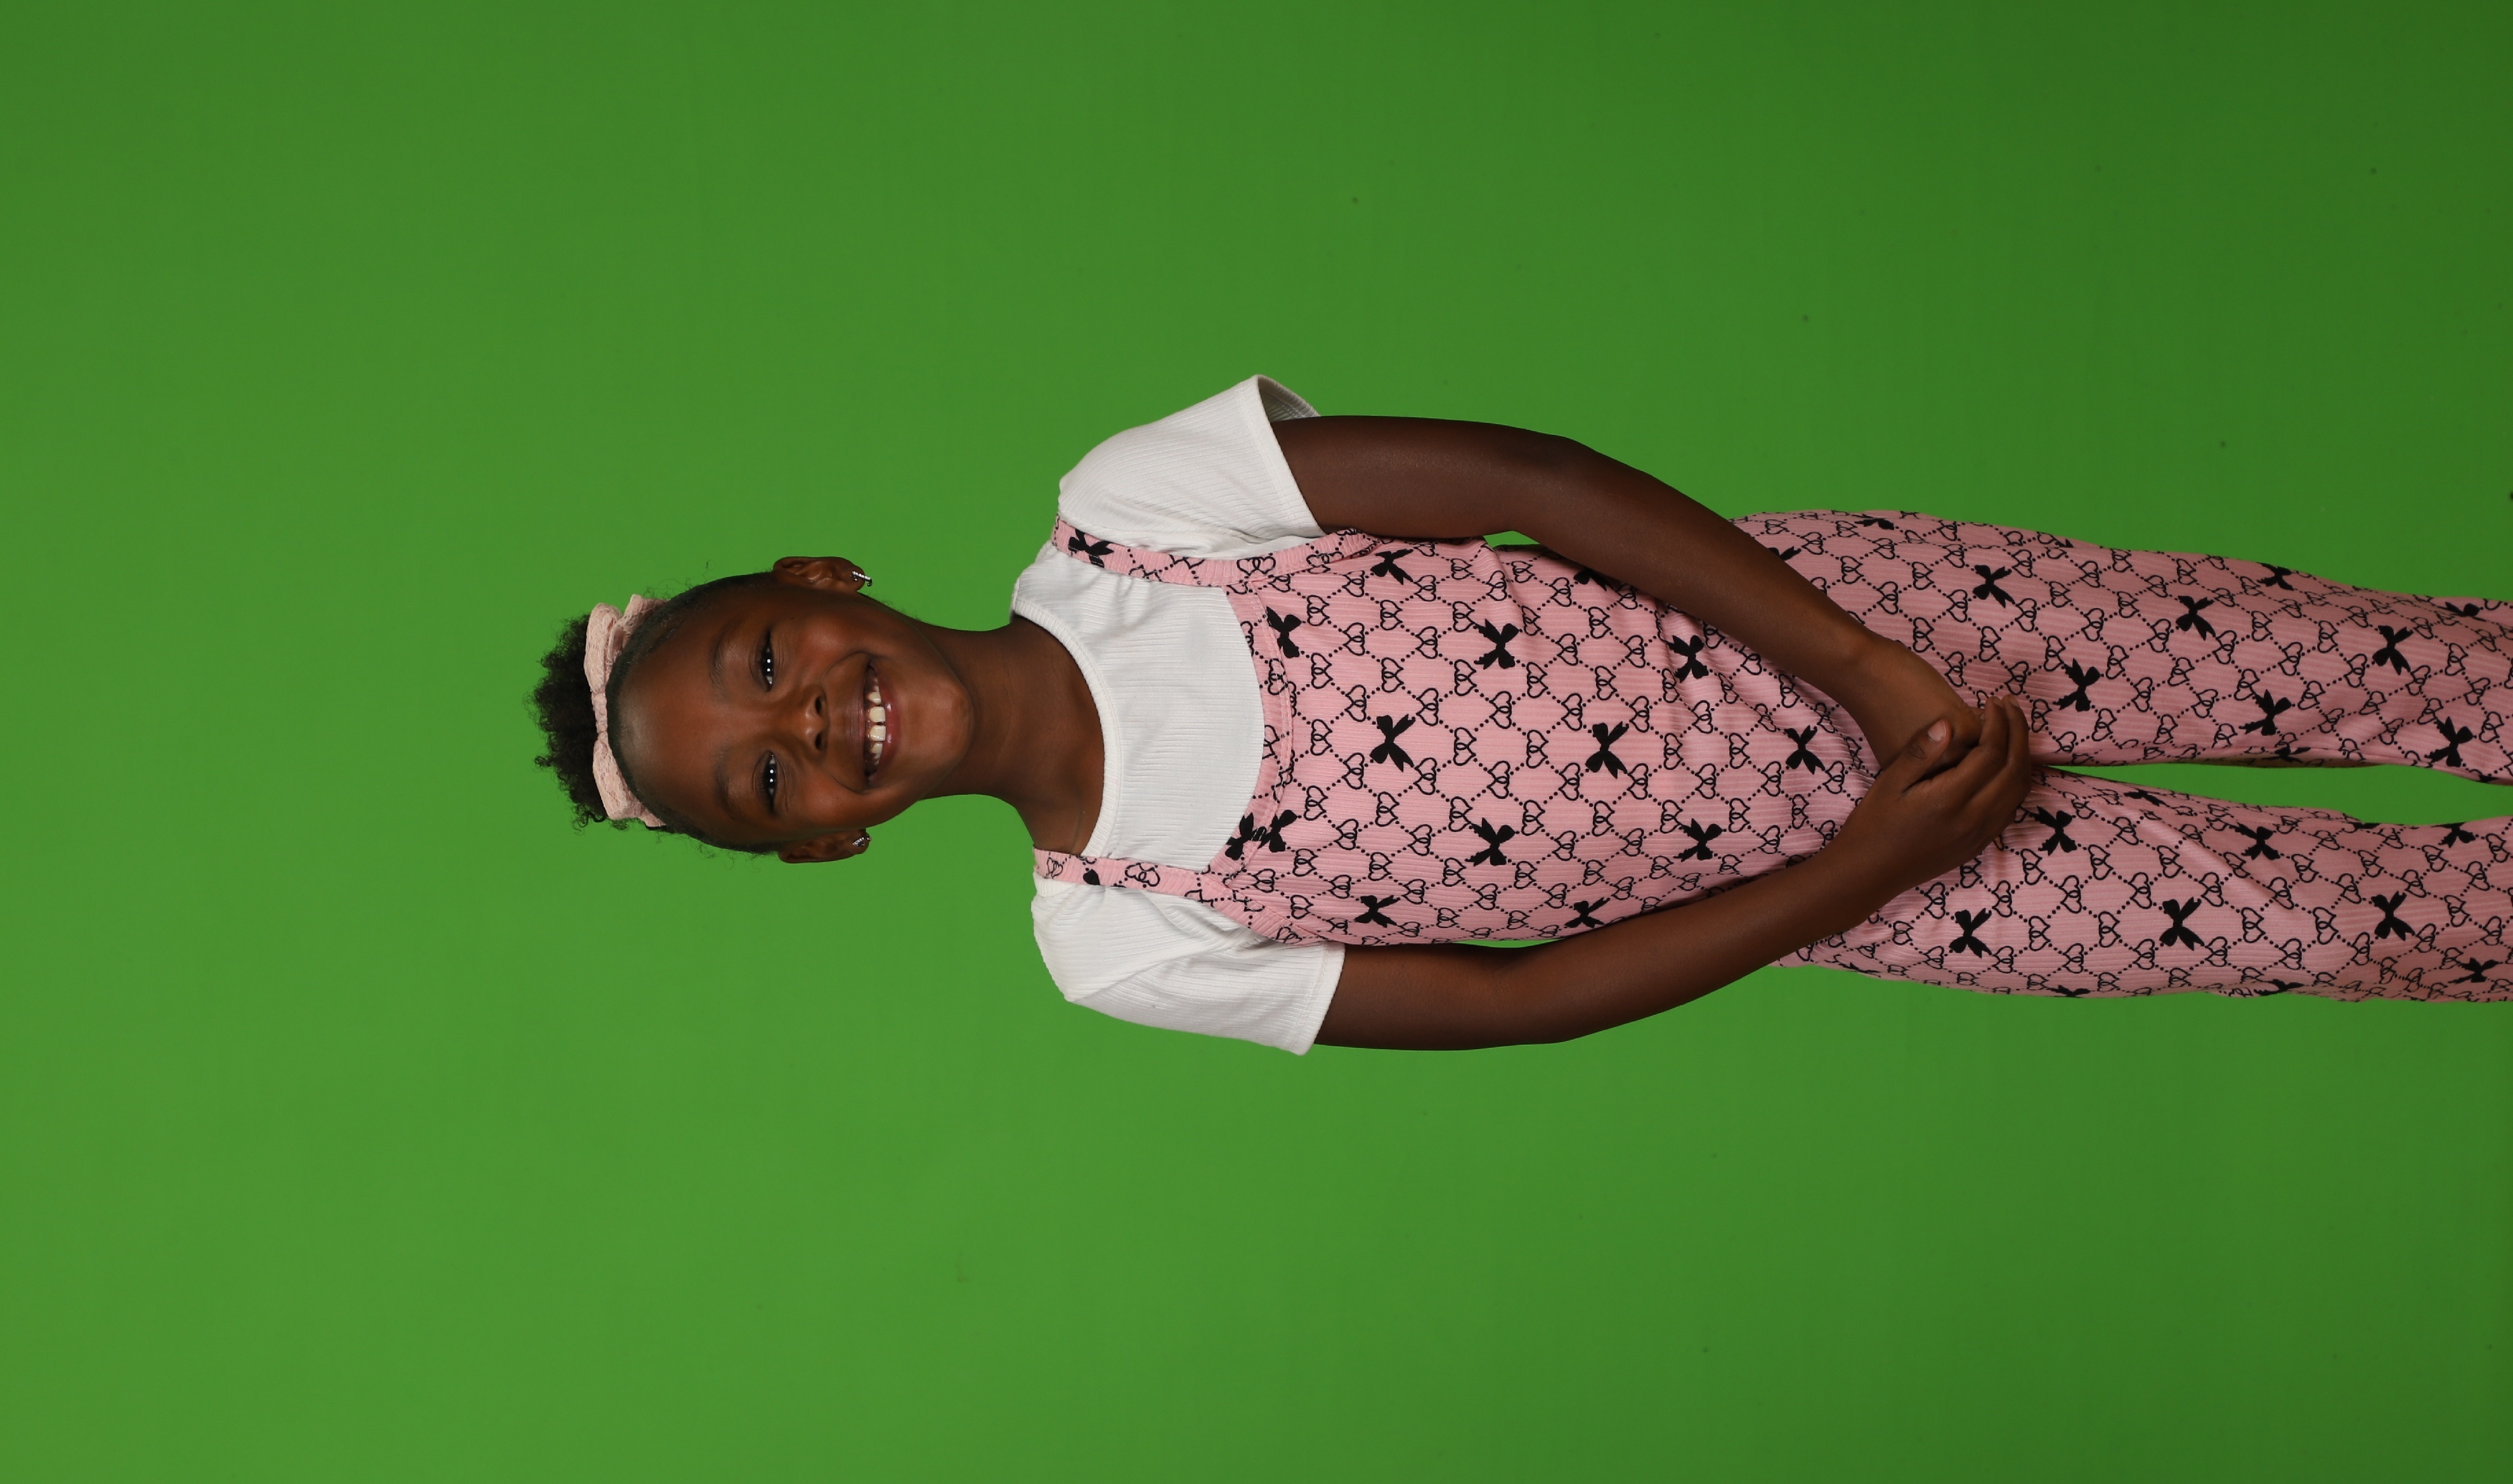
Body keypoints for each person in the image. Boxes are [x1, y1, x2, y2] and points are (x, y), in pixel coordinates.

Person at [531, 377, 2513, 1052]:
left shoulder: (1135, 516)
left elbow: (1527, 485)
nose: (817, 728)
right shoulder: (1117, 937)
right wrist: (1868, 871)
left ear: (819, 580)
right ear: (823, 845)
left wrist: (1864, 668)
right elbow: (1519, 998)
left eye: (766, 665)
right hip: (1885, 884)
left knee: (2361, 663)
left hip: (1869, 623)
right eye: (769, 782)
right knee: (2350, 922)